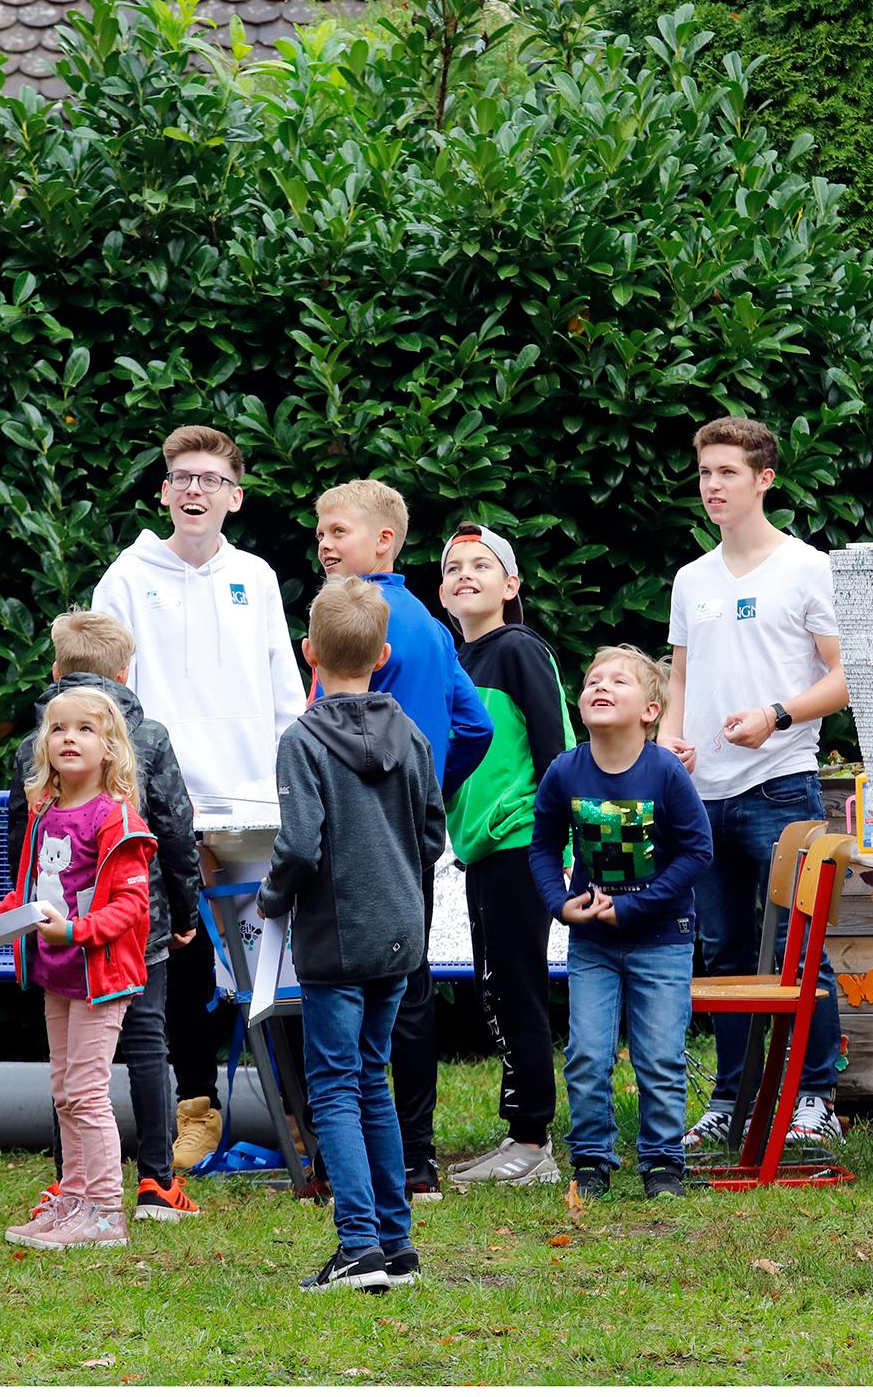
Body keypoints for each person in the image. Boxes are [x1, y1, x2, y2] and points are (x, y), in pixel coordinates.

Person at [91, 425, 303, 1169]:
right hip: (163, 806)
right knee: (180, 955)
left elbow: (283, 692)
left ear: (234, 498)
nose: (193, 489)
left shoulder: (258, 576)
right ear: (162, 491)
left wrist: (291, 787)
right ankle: (196, 1108)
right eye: (181, 476)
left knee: (273, 963)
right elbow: (109, 698)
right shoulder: (126, 577)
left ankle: (299, 1114)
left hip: (252, 804)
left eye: (210, 479)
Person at [657, 417, 850, 1150]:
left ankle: (813, 1098)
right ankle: (733, 1100)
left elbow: (844, 677)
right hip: (701, 797)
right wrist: (670, 737)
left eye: (727, 473)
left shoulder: (805, 567)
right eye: (705, 473)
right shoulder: (690, 578)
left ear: (764, 478)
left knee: (800, 952)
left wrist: (776, 714)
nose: (712, 486)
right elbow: (679, 677)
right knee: (725, 954)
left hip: (779, 786)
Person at [257, 577, 444, 1291]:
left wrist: (274, 898)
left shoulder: (302, 740)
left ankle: (359, 1246)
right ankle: (397, 1247)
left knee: (333, 1085)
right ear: (385, 653)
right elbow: (432, 833)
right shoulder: (412, 732)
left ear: (308, 652)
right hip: (400, 928)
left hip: (336, 935)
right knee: (372, 1077)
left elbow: (299, 846)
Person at [314, 478, 492, 1198]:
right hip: (410, 839)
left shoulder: (352, 621)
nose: (324, 544)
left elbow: (327, 728)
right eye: (320, 532)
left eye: (338, 532)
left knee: (345, 989)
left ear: (384, 540)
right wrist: (429, 791)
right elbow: (474, 725)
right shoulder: (426, 619)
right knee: (408, 987)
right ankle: (414, 1156)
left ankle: (342, 1156)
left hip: (349, 839)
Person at [8, 611, 205, 1223]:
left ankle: (83, 1192)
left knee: (78, 1067)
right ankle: (155, 1180)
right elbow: (176, 827)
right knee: (144, 1045)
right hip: (140, 925)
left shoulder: (36, 742)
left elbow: (23, 844)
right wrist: (187, 904)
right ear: (126, 671)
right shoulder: (148, 737)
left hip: (86, 925)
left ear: (57, 668)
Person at [529, 646, 713, 1201]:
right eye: (591, 681)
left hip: (662, 940)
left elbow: (697, 852)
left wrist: (633, 907)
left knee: (659, 1055)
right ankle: (591, 1161)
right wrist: (559, 904)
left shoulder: (664, 772)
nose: (600, 687)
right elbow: (541, 847)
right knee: (586, 1052)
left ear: (650, 711)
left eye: (618, 682)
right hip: (593, 944)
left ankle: (663, 1164)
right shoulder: (565, 771)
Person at [0, 687, 159, 1252]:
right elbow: (29, 892)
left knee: (87, 1093)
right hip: (56, 975)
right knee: (65, 1091)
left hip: (100, 979)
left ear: (111, 748)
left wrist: (73, 933)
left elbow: (132, 908)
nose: (69, 738)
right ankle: (74, 1197)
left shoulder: (117, 820)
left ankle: (106, 1211)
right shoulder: (44, 814)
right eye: (59, 728)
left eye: (85, 730)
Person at [437, 523, 575, 1185]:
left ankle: (531, 1145)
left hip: (523, 839)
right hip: (481, 848)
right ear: (441, 591)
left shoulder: (517, 647)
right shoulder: (454, 663)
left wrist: (561, 840)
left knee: (515, 987)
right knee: (496, 987)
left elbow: (556, 743)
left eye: (481, 565)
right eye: (454, 566)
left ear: (510, 585)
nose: (465, 573)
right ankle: (522, 1139)